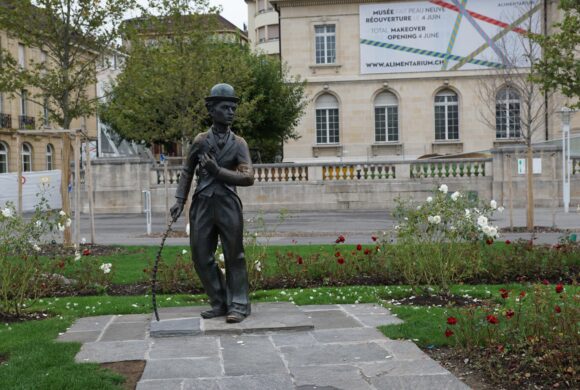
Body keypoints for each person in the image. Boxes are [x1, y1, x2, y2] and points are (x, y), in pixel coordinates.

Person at [170, 83, 254, 323]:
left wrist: (217, 171)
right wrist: (179, 200)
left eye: (233, 108)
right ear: (211, 110)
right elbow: (186, 171)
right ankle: (219, 301)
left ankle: (238, 304)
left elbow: (248, 177)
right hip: (203, 204)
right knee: (200, 255)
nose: (231, 112)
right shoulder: (200, 141)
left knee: (234, 255)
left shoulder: (239, 143)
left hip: (228, 203)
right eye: (225, 107)